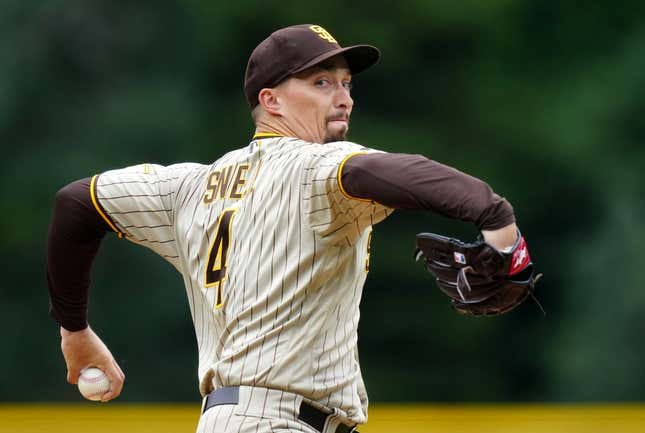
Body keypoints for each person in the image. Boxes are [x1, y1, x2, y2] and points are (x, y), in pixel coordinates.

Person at [47, 24, 526, 433]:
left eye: (346, 84)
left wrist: (74, 329)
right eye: (321, 82)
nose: (343, 98)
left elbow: (76, 202)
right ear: (271, 100)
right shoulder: (316, 169)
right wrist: (500, 225)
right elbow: (407, 174)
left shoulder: (185, 188)